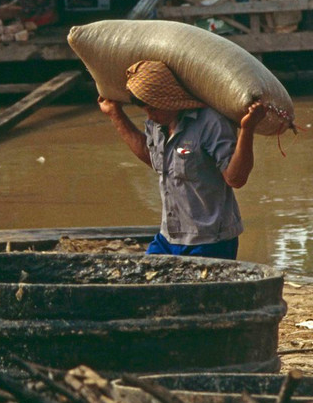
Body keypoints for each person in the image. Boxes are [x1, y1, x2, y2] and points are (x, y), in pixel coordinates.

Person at [98, 60, 265, 260]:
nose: (150, 115)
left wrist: (247, 130)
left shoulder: (210, 122)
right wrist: (115, 115)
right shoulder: (156, 124)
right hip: (168, 237)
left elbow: (235, 178)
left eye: (154, 108)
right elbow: (152, 157)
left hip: (210, 240)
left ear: (169, 99)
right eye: (146, 110)